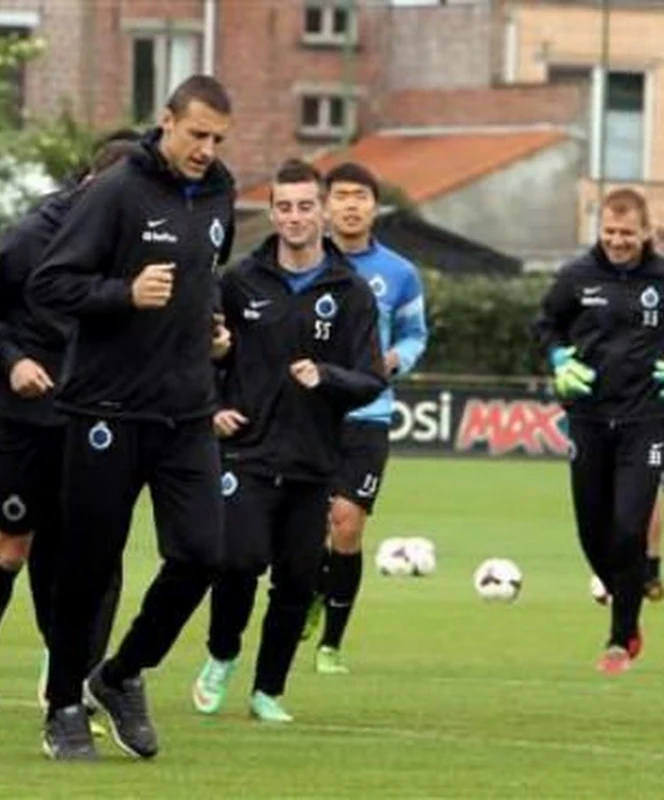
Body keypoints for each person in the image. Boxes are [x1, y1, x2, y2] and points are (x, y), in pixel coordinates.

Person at [27, 74, 236, 761]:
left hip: (187, 412)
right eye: (197, 134)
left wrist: (207, 330)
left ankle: (118, 675)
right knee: (88, 568)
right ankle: (62, 707)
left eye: (217, 139)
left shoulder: (221, 193)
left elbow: (203, 276)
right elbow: (51, 283)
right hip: (106, 410)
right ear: (167, 121)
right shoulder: (116, 190)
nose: (207, 149)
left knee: (204, 555)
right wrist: (125, 293)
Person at [0, 134, 137, 732]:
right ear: (94, 185)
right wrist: (11, 361)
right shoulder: (32, 236)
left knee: (93, 556)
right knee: (13, 545)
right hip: (28, 424)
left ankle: (73, 680)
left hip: (99, 425)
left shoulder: (140, 244)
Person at [191, 160, 385, 723]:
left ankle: (266, 691)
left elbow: (371, 377)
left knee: (297, 580)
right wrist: (215, 406)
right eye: (285, 207)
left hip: (314, 458)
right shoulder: (239, 281)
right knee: (238, 561)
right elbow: (201, 353)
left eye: (305, 206)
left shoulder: (349, 291)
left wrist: (327, 378)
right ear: (272, 212)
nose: (295, 217)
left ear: (321, 211)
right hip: (247, 452)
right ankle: (221, 654)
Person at [300, 161, 427, 673]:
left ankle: (331, 643)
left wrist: (395, 360)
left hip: (370, 412)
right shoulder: (303, 263)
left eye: (361, 196)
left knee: (346, 527)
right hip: (310, 412)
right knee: (305, 528)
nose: (351, 205)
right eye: (341, 195)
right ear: (326, 205)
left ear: (375, 206)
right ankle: (308, 589)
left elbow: (415, 335)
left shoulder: (400, 273)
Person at [534, 187, 664, 675]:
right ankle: (627, 589)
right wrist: (558, 359)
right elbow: (546, 324)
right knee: (593, 531)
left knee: (630, 527)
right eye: (609, 231)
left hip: (647, 421)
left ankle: (620, 636)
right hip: (587, 418)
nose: (617, 241)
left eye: (627, 233)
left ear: (646, 232)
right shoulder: (576, 276)